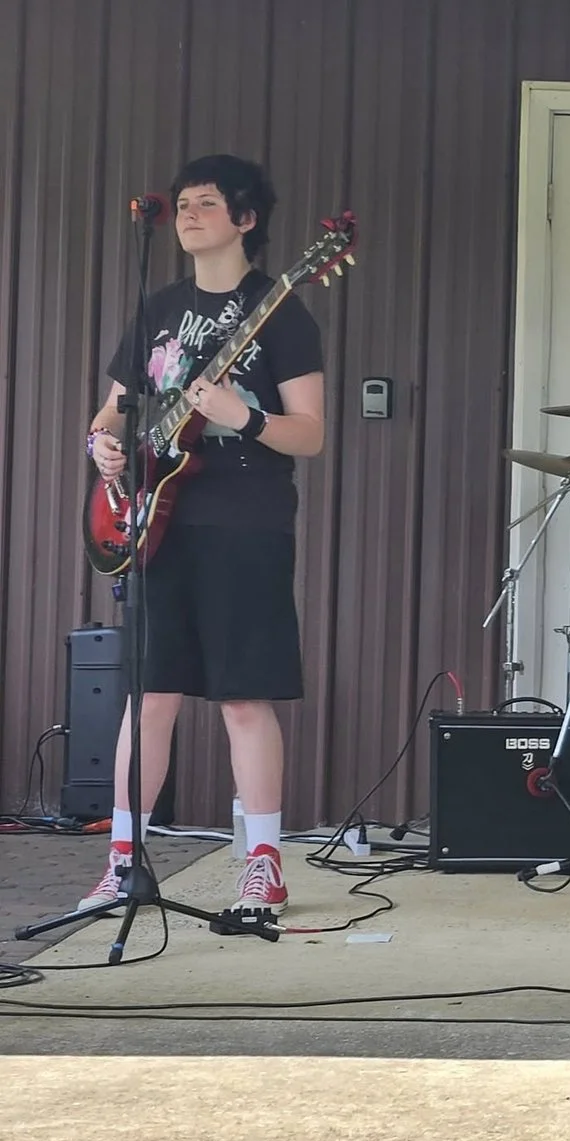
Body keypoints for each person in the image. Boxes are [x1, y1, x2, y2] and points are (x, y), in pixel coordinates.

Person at [80, 154, 327, 915]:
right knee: (148, 696)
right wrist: (103, 446)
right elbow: (112, 412)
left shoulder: (283, 309)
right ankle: (123, 860)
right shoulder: (157, 306)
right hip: (156, 524)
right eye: (182, 203)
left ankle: (262, 863)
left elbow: (310, 434)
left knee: (242, 699)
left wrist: (243, 417)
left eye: (207, 203)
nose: (187, 214)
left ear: (246, 219)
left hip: (245, 523)